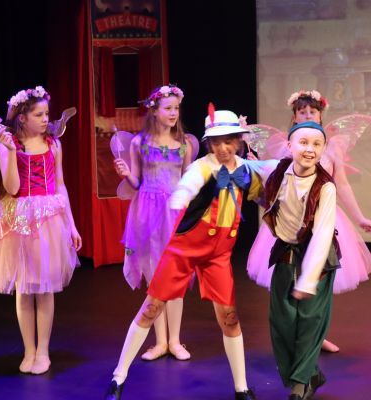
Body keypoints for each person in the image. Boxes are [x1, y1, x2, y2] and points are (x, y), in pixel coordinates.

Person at [105, 108, 276, 400]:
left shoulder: (246, 171)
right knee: (151, 309)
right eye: (216, 142)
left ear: (237, 141)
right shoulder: (203, 167)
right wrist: (181, 195)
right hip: (183, 250)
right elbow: (190, 182)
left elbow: (264, 190)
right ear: (209, 144)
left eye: (228, 141)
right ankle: (118, 377)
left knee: (230, 318)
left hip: (218, 256)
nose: (222, 148)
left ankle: (241, 387)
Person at [246, 90, 371, 353]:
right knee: (292, 281)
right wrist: (255, 167)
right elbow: (274, 182)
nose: (307, 116)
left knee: (318, 281)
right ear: (294, 117)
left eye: (312, 112)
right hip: (292, 221)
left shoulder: (331, 148)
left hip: (323, 219)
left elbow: (342, 185)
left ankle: (315, 336)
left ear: (320, 115)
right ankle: (294, 335)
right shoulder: (288, 148)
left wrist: (359, 216)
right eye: (302, 112)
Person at [0, 86, 82, 375]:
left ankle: (43, 351)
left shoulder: (54, 145)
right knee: (24, 288)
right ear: (22, 117)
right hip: (19, 218)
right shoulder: (8, 145)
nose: (46, 119)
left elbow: (60, 185)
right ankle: (29, 350)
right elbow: (12, 188)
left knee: (44, 288)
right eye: (39, 114)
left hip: (48, 219)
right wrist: (10, 152)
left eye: (46, 113)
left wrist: (72, 225)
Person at [113, 85, 196, 362]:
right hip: (148, 214)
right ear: (154, 111)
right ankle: (160, 341)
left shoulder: (184, 144)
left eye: (176, 108)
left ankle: (175, 340)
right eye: (168, 108)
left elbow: (187, 180)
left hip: (175, 213)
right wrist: (126, 174)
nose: (173, 113)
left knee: (175, 277)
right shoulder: (140, 143)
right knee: (156, 277)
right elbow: (137, 182)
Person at [262, 121, 339, 400]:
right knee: (282, 321)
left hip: (318, 258)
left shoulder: (325, 187)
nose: (309, 149)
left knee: (310, 320)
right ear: (289, 146)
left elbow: (322, 234)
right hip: (286, 251)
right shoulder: (278, 171)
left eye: (317, 144)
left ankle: (300, 384)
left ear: (323, 149)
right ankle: (310, 374)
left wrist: (308, 279)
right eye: (303, 143)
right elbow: (250, 173)